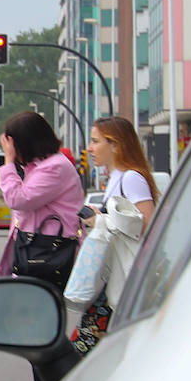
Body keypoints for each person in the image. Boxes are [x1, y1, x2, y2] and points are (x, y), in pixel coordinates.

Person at [0, 111, 84, 381]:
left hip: (48, 258)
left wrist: (7, 163)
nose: (7, 148)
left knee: (42, 335)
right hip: (36, 257)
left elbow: (18, 199)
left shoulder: (56, 168)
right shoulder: (39, 167)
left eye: (9, 142)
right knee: (39, 334)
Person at [71, 117, 160, 357]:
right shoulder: (117, 178)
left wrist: (100, 220)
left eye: (95, 141)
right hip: (113, 278)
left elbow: (148, 224)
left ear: (116, 145)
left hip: (124, 278)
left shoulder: (131, 177)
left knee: (81, 355)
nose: (89, 148)